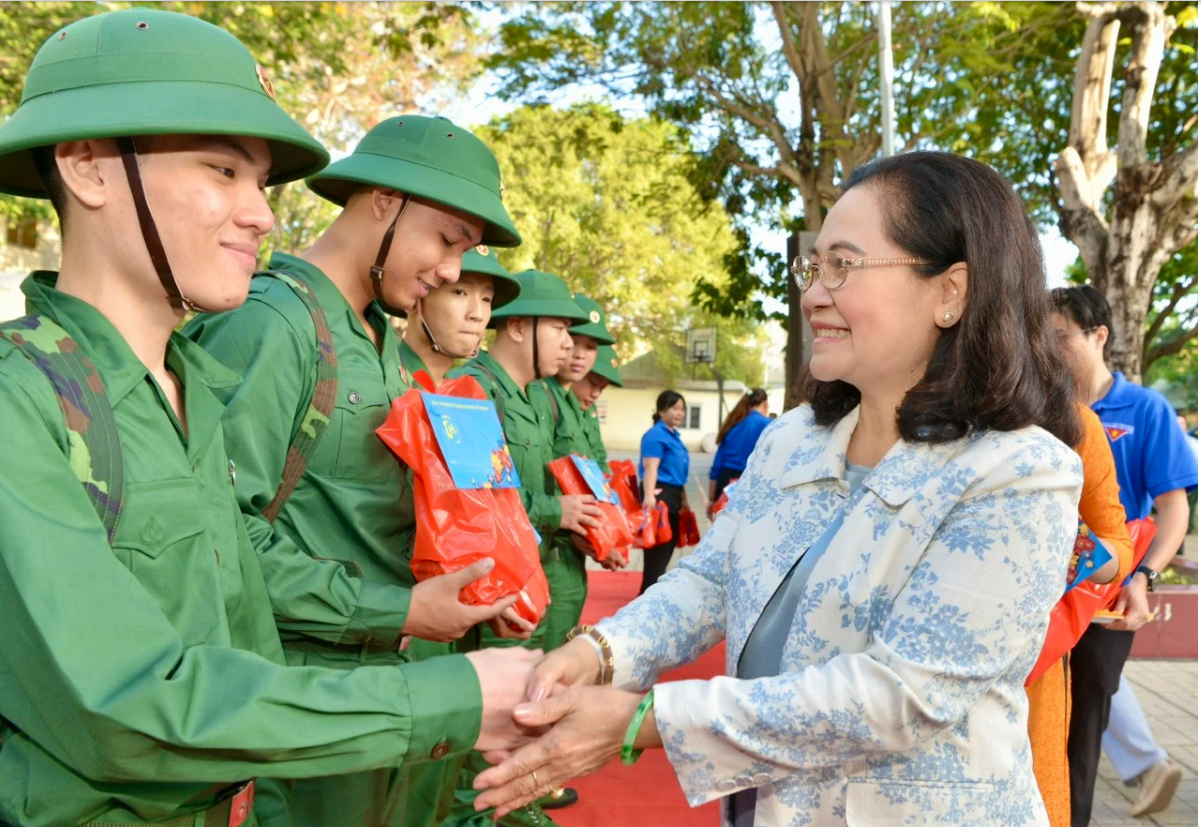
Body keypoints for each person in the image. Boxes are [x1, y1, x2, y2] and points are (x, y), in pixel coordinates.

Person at [0, 12, 535, 827]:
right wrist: (436, 687)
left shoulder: (190, 386)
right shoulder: (21, 397)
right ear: (87, 168)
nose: (264, 215)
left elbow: (231, 627)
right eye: (222, 170)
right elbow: (124, 704)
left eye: (260, 182)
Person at [471, 151, 1084, 827]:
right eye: (813, 267)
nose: (814, 293)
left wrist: (646, 718)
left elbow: (903, 696)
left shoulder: (1018, 473)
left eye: (843, 266)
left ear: (950, 291)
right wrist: (598, 652)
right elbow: (709, 579)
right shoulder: (792, 439)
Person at [443, 269, 600, 827]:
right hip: (493, 578)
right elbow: (480, 497)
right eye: (559, 326)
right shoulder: (475, 388)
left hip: (530, 571)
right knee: (486, 716)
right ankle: (480, 812)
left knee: (525, 701)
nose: (569, 342)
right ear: (517, 329)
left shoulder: (534, 397)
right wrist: (557, 511)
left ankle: (512, 799)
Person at [1051, 285, 1198, 822]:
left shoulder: (1145, 409)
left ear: (1099, 336)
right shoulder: (1037, 405)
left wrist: (1146, 578)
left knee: (1082, 736)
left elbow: (1173, 511)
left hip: (1106, 598)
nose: (1049, 348)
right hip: (1046, 595)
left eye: (1061, 336)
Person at [1026, 402, 1132, 827]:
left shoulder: (1067, 417)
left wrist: (1074, 545)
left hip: (1030, 678)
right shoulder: (854, 409)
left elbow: (1116, 545)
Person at [400, 245, 521, 387]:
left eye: (486, 299)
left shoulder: (460, 395)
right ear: (415, 298)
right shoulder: (383, 382)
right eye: (459, 292)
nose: (478, 314)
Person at [638, 390, 691, 594]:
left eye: (682, 409)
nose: (680, 413)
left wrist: (684, 498)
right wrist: (649, 497)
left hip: (673, 494)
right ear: (661, 410)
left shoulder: (673, 435)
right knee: (657, 553)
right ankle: (646, 595)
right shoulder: (656, 435)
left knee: (666, 548)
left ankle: (650, 592)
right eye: (674, 408)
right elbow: (651, 467)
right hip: (660, 495)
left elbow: (677, 471)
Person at [708, 387, 771, 518]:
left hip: (725, 482)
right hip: (748, 483)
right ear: (765, 404)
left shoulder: (733, 423)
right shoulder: (768, 425)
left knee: (722, 531)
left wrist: (712, 499)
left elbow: (717, 465)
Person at [574, 343, 624, 468]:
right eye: (593, 383)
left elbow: (599, 455)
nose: (596, 394)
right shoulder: (551, 402)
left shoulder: (591, 410)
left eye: (602, 388)